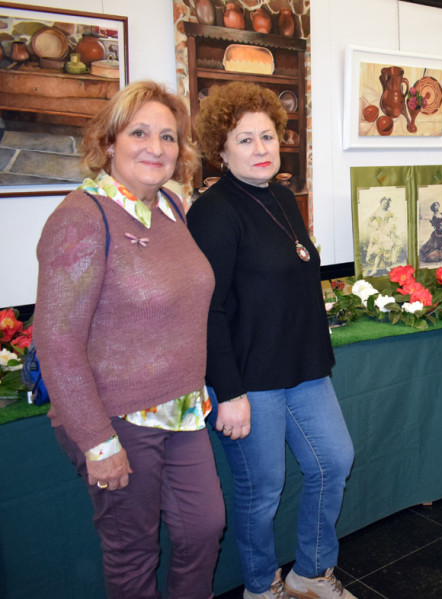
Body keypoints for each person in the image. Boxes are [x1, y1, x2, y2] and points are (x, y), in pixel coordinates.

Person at [33, 80, 224, 598]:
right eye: (140, 132)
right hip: (116, 416)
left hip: (182, 409)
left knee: (204, 527)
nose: (156, 147)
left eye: (168, 136)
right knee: (132, 550)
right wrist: (98, 442)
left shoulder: (170, 208)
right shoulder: (82, 216)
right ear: (110, 141)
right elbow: (56, 341)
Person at [187, 81, 356, 599]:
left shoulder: (282, 196)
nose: (261, 149)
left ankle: (312, 571)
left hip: (302, 366)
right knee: (262, 491)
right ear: (220, 149)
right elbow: (208, 311)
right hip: (248, 379)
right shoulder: (213, 213)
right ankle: (262, 586)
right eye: (245, 139)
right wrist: (229, 392)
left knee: (334, 460)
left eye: (267, 136)